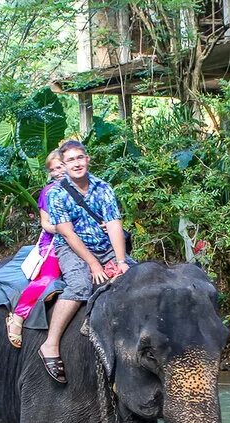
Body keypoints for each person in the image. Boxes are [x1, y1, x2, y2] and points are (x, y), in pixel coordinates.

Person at [38, 140, 133, 383]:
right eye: (70, 160)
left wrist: (121, 261)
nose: (77, 163)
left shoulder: (103, 188)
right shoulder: (57, 193)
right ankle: (51, 343)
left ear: (87, 159)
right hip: (72, 248)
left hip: (104, 244)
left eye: (80, 158)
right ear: (64, 164)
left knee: (135, 276)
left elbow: (114, 225)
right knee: (80, 285)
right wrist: (93, 264)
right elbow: (67, 233)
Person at [5, 150, 67, 348]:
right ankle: (18, 317)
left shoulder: (82, 187)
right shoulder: (49, 191)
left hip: (83, 241)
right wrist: (67, 230)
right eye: (53, 169)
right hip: (55, 243)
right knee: (47, 279)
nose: (58, 172)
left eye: (60, 166)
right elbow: (46, 224)